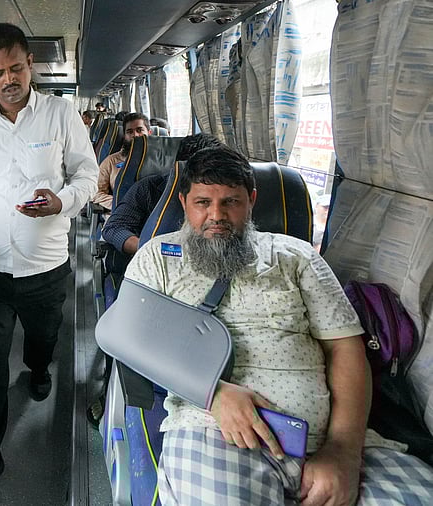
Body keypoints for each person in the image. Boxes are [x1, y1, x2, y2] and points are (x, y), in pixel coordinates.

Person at [124, 146, 433, 505]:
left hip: (324, 439)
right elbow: (132, 338)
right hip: (212, 428)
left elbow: (344, 348)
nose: (216, 215)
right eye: (203, 202)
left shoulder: (297, 256)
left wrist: (343, 452)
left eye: (231, 202)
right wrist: (213, 393)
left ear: (252, 200)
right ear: (184, 201)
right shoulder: (159, 257)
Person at [0, 22, 98, 506]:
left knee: (42, 338)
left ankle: (37, 368)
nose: (8, 79)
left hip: (46, 263)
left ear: (30, 64)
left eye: (16, 68)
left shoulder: (60, 114)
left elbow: (88, 176)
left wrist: (63, 201)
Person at [87, 133, 222, 429]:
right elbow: (116, 227)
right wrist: (150, 251)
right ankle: (108, 389)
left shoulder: (227, 206)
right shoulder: (150, 188)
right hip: (148, 280)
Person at [92, 112, 150, 209]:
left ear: (149, 132)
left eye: (140, 130)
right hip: (121, 212)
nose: (135, 135)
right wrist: (119, 204)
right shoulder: (111, 161)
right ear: (124, 136)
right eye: (130, 132)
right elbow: (96, 192)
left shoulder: (164, 162)